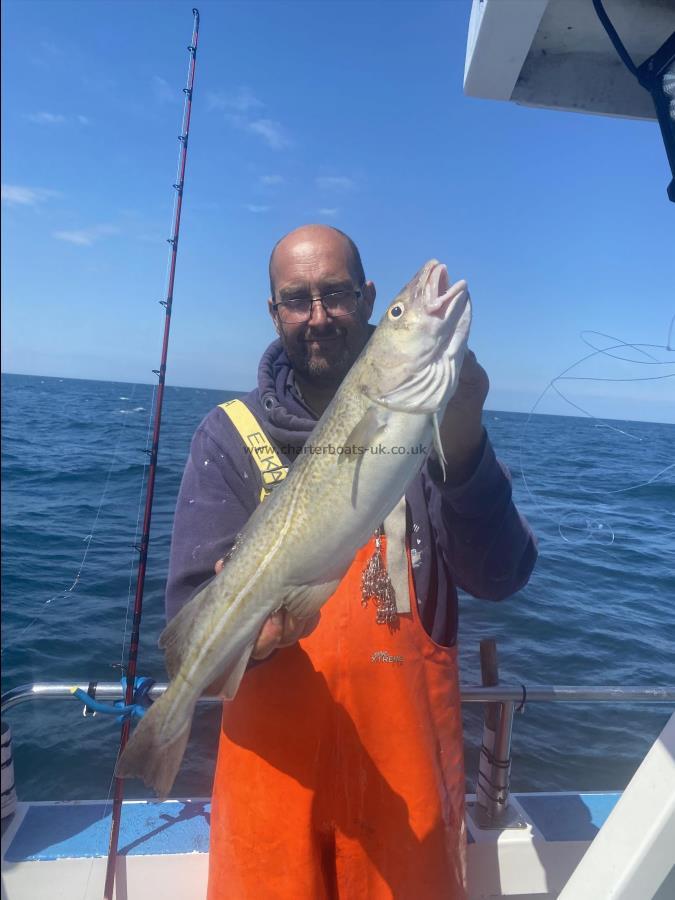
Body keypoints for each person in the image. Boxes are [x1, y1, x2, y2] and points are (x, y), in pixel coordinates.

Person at [166, 224, 537, 899]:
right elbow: (191, 617)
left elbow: (500, 576)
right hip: (273, 799)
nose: (317, 317)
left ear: (365, 299)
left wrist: (466, 442)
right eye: (295, 299)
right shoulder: (227, 436)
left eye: (334, 294)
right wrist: (258, 643)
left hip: (407, 803)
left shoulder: (426, 430)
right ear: (273, 310)